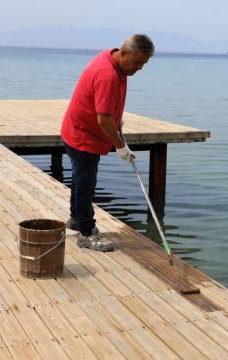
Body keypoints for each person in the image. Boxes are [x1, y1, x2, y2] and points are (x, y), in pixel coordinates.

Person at [60, 34, 154, 252]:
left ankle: (76, 218)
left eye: (144, 63)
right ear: (123, 53)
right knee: (85, 184)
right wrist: (120, 146)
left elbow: (105, 107)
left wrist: (116, 117)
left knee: (79, 178)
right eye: (137, 62)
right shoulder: (107, 74)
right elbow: (103, 119)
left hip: (79, 129)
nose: (139, 68)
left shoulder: (115, 62)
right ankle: (86, 233)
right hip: (83, 135)